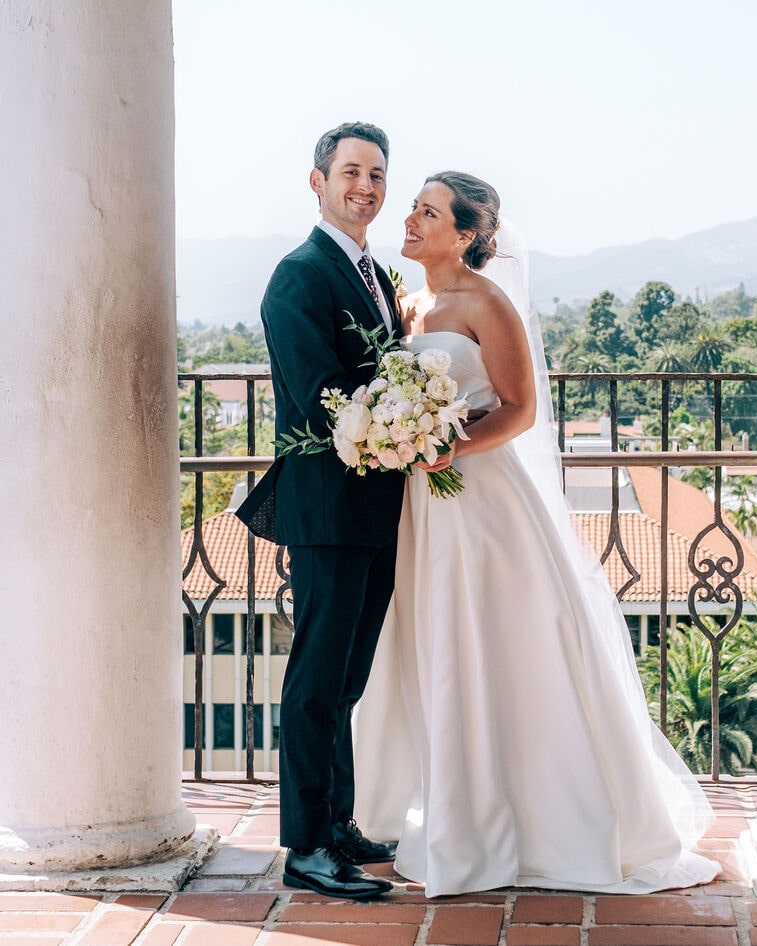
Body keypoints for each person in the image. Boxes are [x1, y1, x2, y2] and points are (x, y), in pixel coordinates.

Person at [351, 171, 721, 896]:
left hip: (481, 502)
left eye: (428, 213)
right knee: (433, 645)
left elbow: (517, 409)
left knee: (491, 645)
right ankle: (445, 809)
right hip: (420, 505)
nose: (411, 219)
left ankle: (529, 820)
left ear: (464, 235)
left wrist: (446, 445)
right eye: (415, 208)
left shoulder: (486, 302)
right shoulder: (406, 304)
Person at [237, 122, 404, 901]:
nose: (365, 187)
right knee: (315, 680)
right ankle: (305, 846)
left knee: (347, 677)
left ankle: (338, 823)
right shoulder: (299, 276)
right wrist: (405, 419)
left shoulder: (373, 275)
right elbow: (320, 396)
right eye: (351, 172)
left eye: (377, 174)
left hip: (376, 503)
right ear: (318, 182)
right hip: (328, 506)